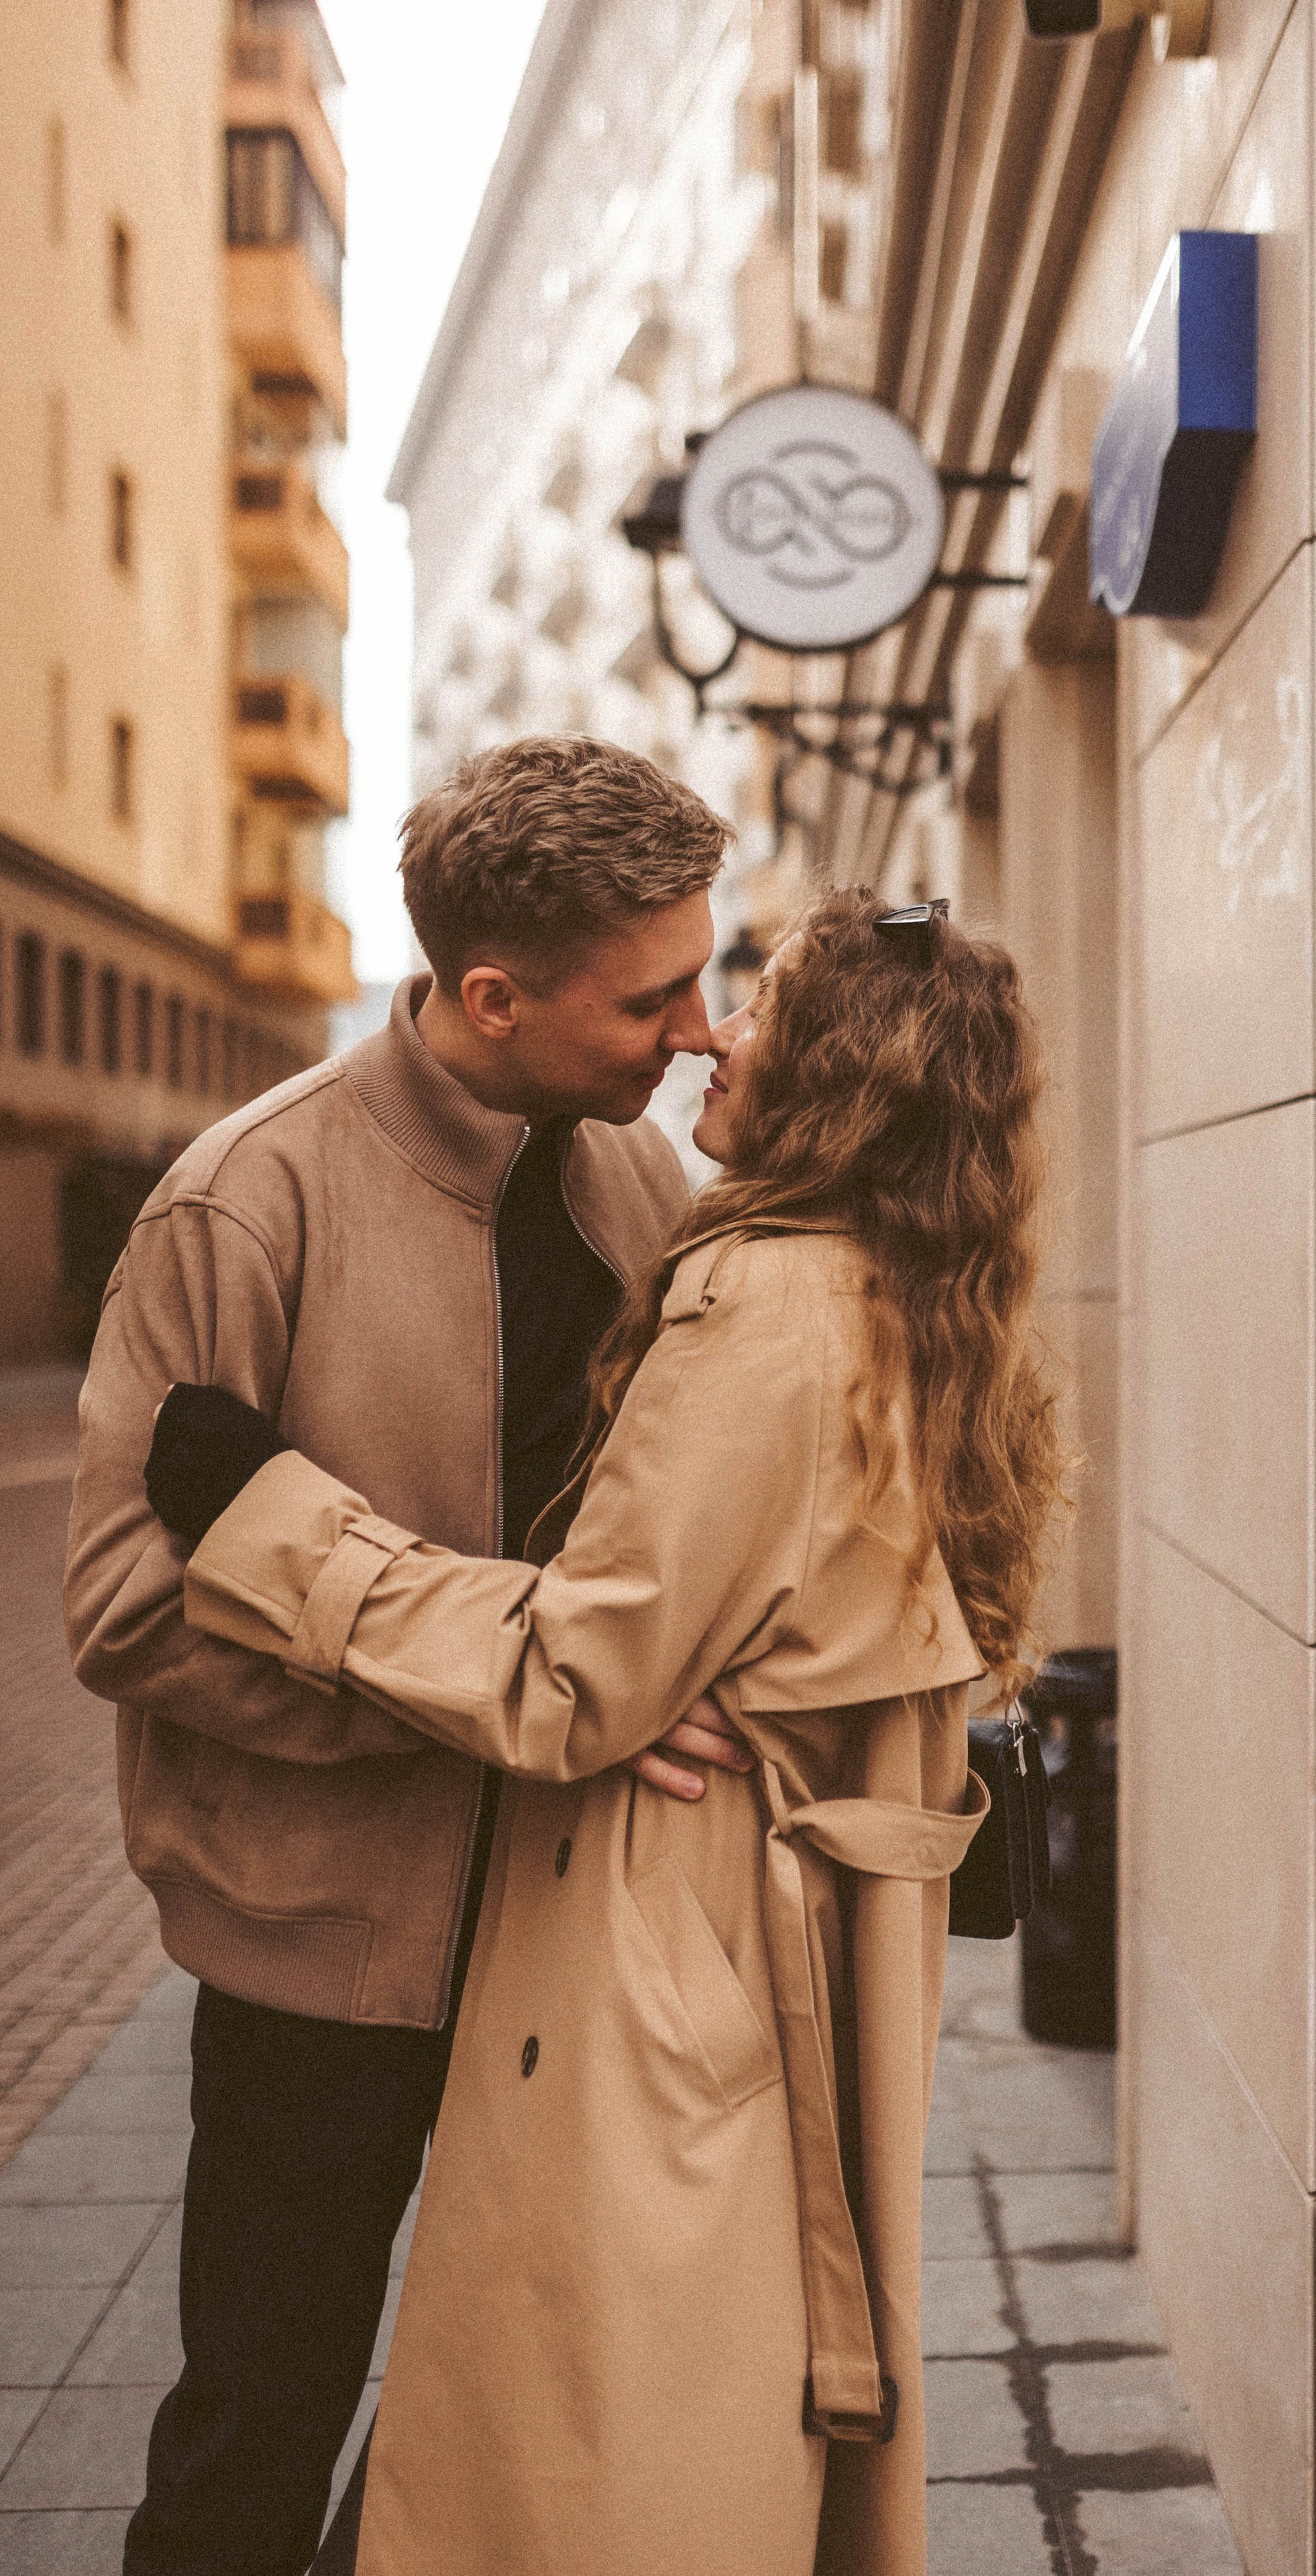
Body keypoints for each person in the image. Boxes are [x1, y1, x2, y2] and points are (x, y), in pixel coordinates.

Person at [144, 888, 1066, 2576]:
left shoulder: (768, 1307)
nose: (711, 1030)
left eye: (755, 1002)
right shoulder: (903, 1287)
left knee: (567, 2440)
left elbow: (576, 1684)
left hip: (651, 1943)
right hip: (735, 1943)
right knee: (600, 2414)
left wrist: (271, 1519)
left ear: (837, 1078)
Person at [63, 737, 757, 2576]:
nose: (698, 1031)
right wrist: (516, 1701)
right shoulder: (244, 1203)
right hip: (317, 1963)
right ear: (491, 994)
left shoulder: (643, 1191)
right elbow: (125, 1605)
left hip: (577, 1929)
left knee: (509, 2418)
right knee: (257, 2434)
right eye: (656, 995)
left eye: (704, 971)